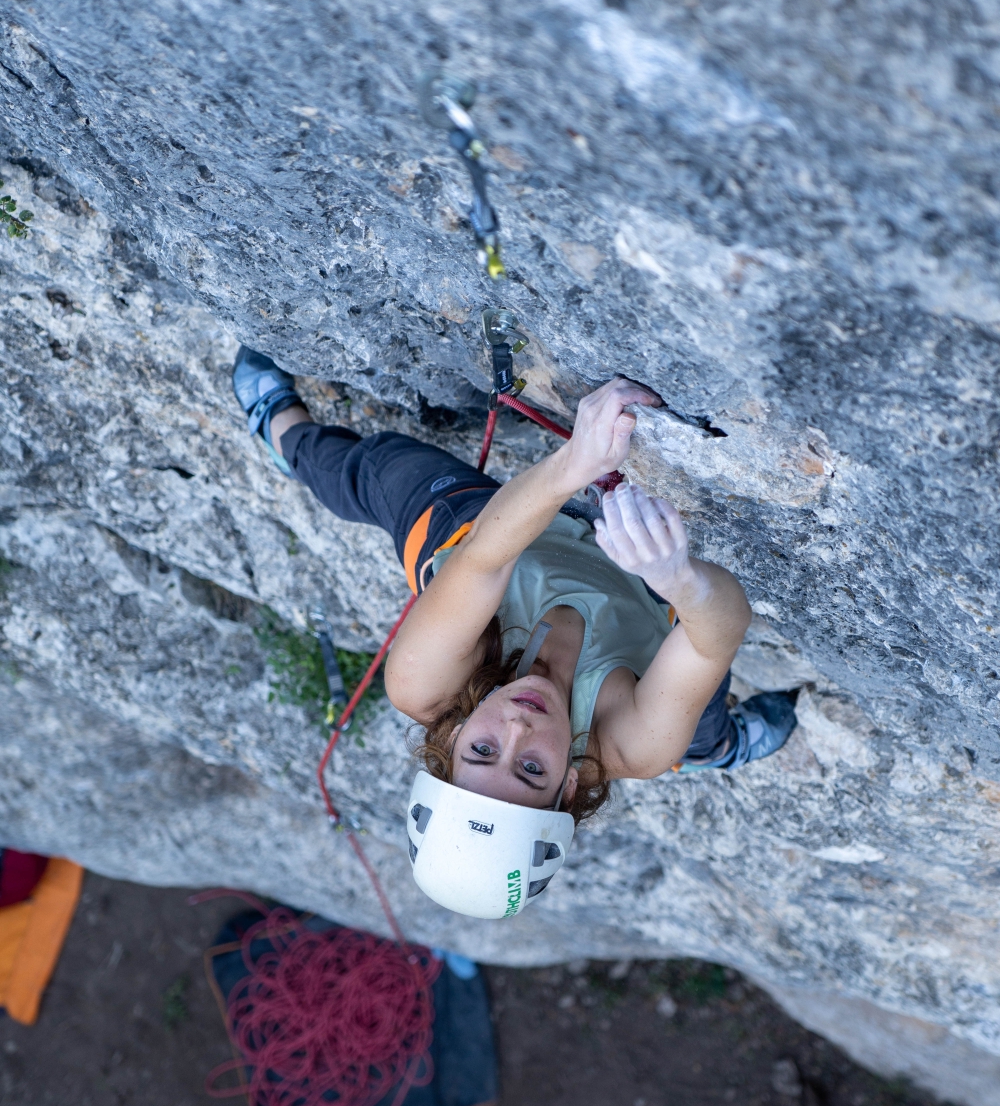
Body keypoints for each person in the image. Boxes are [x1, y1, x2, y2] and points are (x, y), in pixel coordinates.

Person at [233, 347, 796, 919]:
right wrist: (680, 579)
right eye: (531, 769)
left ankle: (282, 431)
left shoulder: (423, 685)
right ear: (568, 787)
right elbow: (718, 633)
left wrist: (575, 462)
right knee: (690, 709)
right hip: (642, 589)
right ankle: (713, 746)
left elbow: (485, 560)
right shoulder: (627, 742)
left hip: (485, 533)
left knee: (376, 467)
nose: (519, 728)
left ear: (450, 742)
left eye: (482, 751)